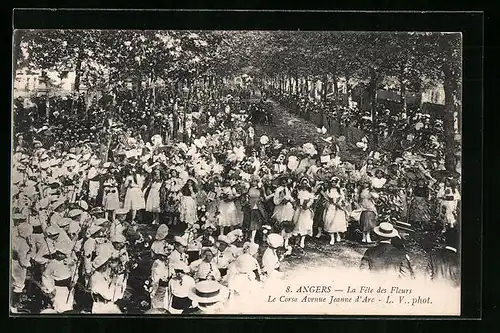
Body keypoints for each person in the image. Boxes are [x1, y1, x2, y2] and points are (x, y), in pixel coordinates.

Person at [40, 239, 77, 313]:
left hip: (69, 287)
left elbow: (75, 272)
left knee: (69, 306)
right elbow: (46, 276)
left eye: (62, 254)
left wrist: (74, 281)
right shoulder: (52, 263)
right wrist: (51, 289)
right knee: (60, 307)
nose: (59, 255)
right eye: (57, 253)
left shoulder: (70, 261)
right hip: (59, 288)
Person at [322, 178, 348, 245]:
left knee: (337, 221)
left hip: (338, 207)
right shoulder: (328, 190)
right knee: (329, 219)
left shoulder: (340, 190)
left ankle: (338, 234)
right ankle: (332, 237)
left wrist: (339, 202)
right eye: (332, 182)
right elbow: (326, 198)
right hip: (331, 206)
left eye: (335, 182)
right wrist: (329, 202)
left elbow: (343, 197)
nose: (333, 184)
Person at [292, 177, 316, 249]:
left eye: (306, 183)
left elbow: (311, 200)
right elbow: (296, 199)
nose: (304, 185)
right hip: (299, 209)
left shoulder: (309, 192)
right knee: (297, 223)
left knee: (305, 224)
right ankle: (297, 238)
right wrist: (297, 205)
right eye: (303, 183)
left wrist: (307, 206)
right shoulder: (298, 191)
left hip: (306, 210)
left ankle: (303, 239)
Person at [150, 243, 174, 310]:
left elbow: (171, 271)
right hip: (159, 285)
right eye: (163, 256)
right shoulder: (157, 263)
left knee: (166, 303)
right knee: (157, 304)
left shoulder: (169, 262)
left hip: (167, 286)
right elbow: (155, 277)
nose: (165, 257)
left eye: (166, 256)